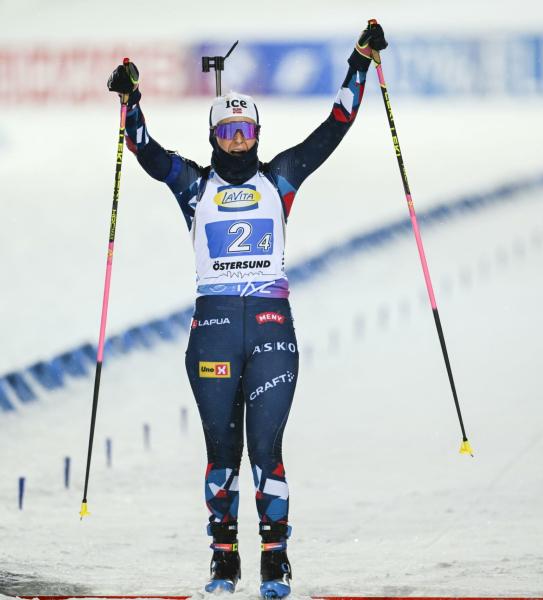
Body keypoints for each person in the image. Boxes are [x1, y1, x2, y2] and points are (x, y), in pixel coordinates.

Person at [107, 22, 387, 598]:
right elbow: (145, 149)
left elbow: (335, 126)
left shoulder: (280, 177)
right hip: (211, 332)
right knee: (220, 455)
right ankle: (223, 560)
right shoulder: (194, 184)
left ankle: (276, 562)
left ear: (257, 133)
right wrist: (131, 99)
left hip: (269, 330)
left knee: (266, 451)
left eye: (245, 130)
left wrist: (359, 62)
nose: (237, 139)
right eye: (227, 130)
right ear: (215, 135)